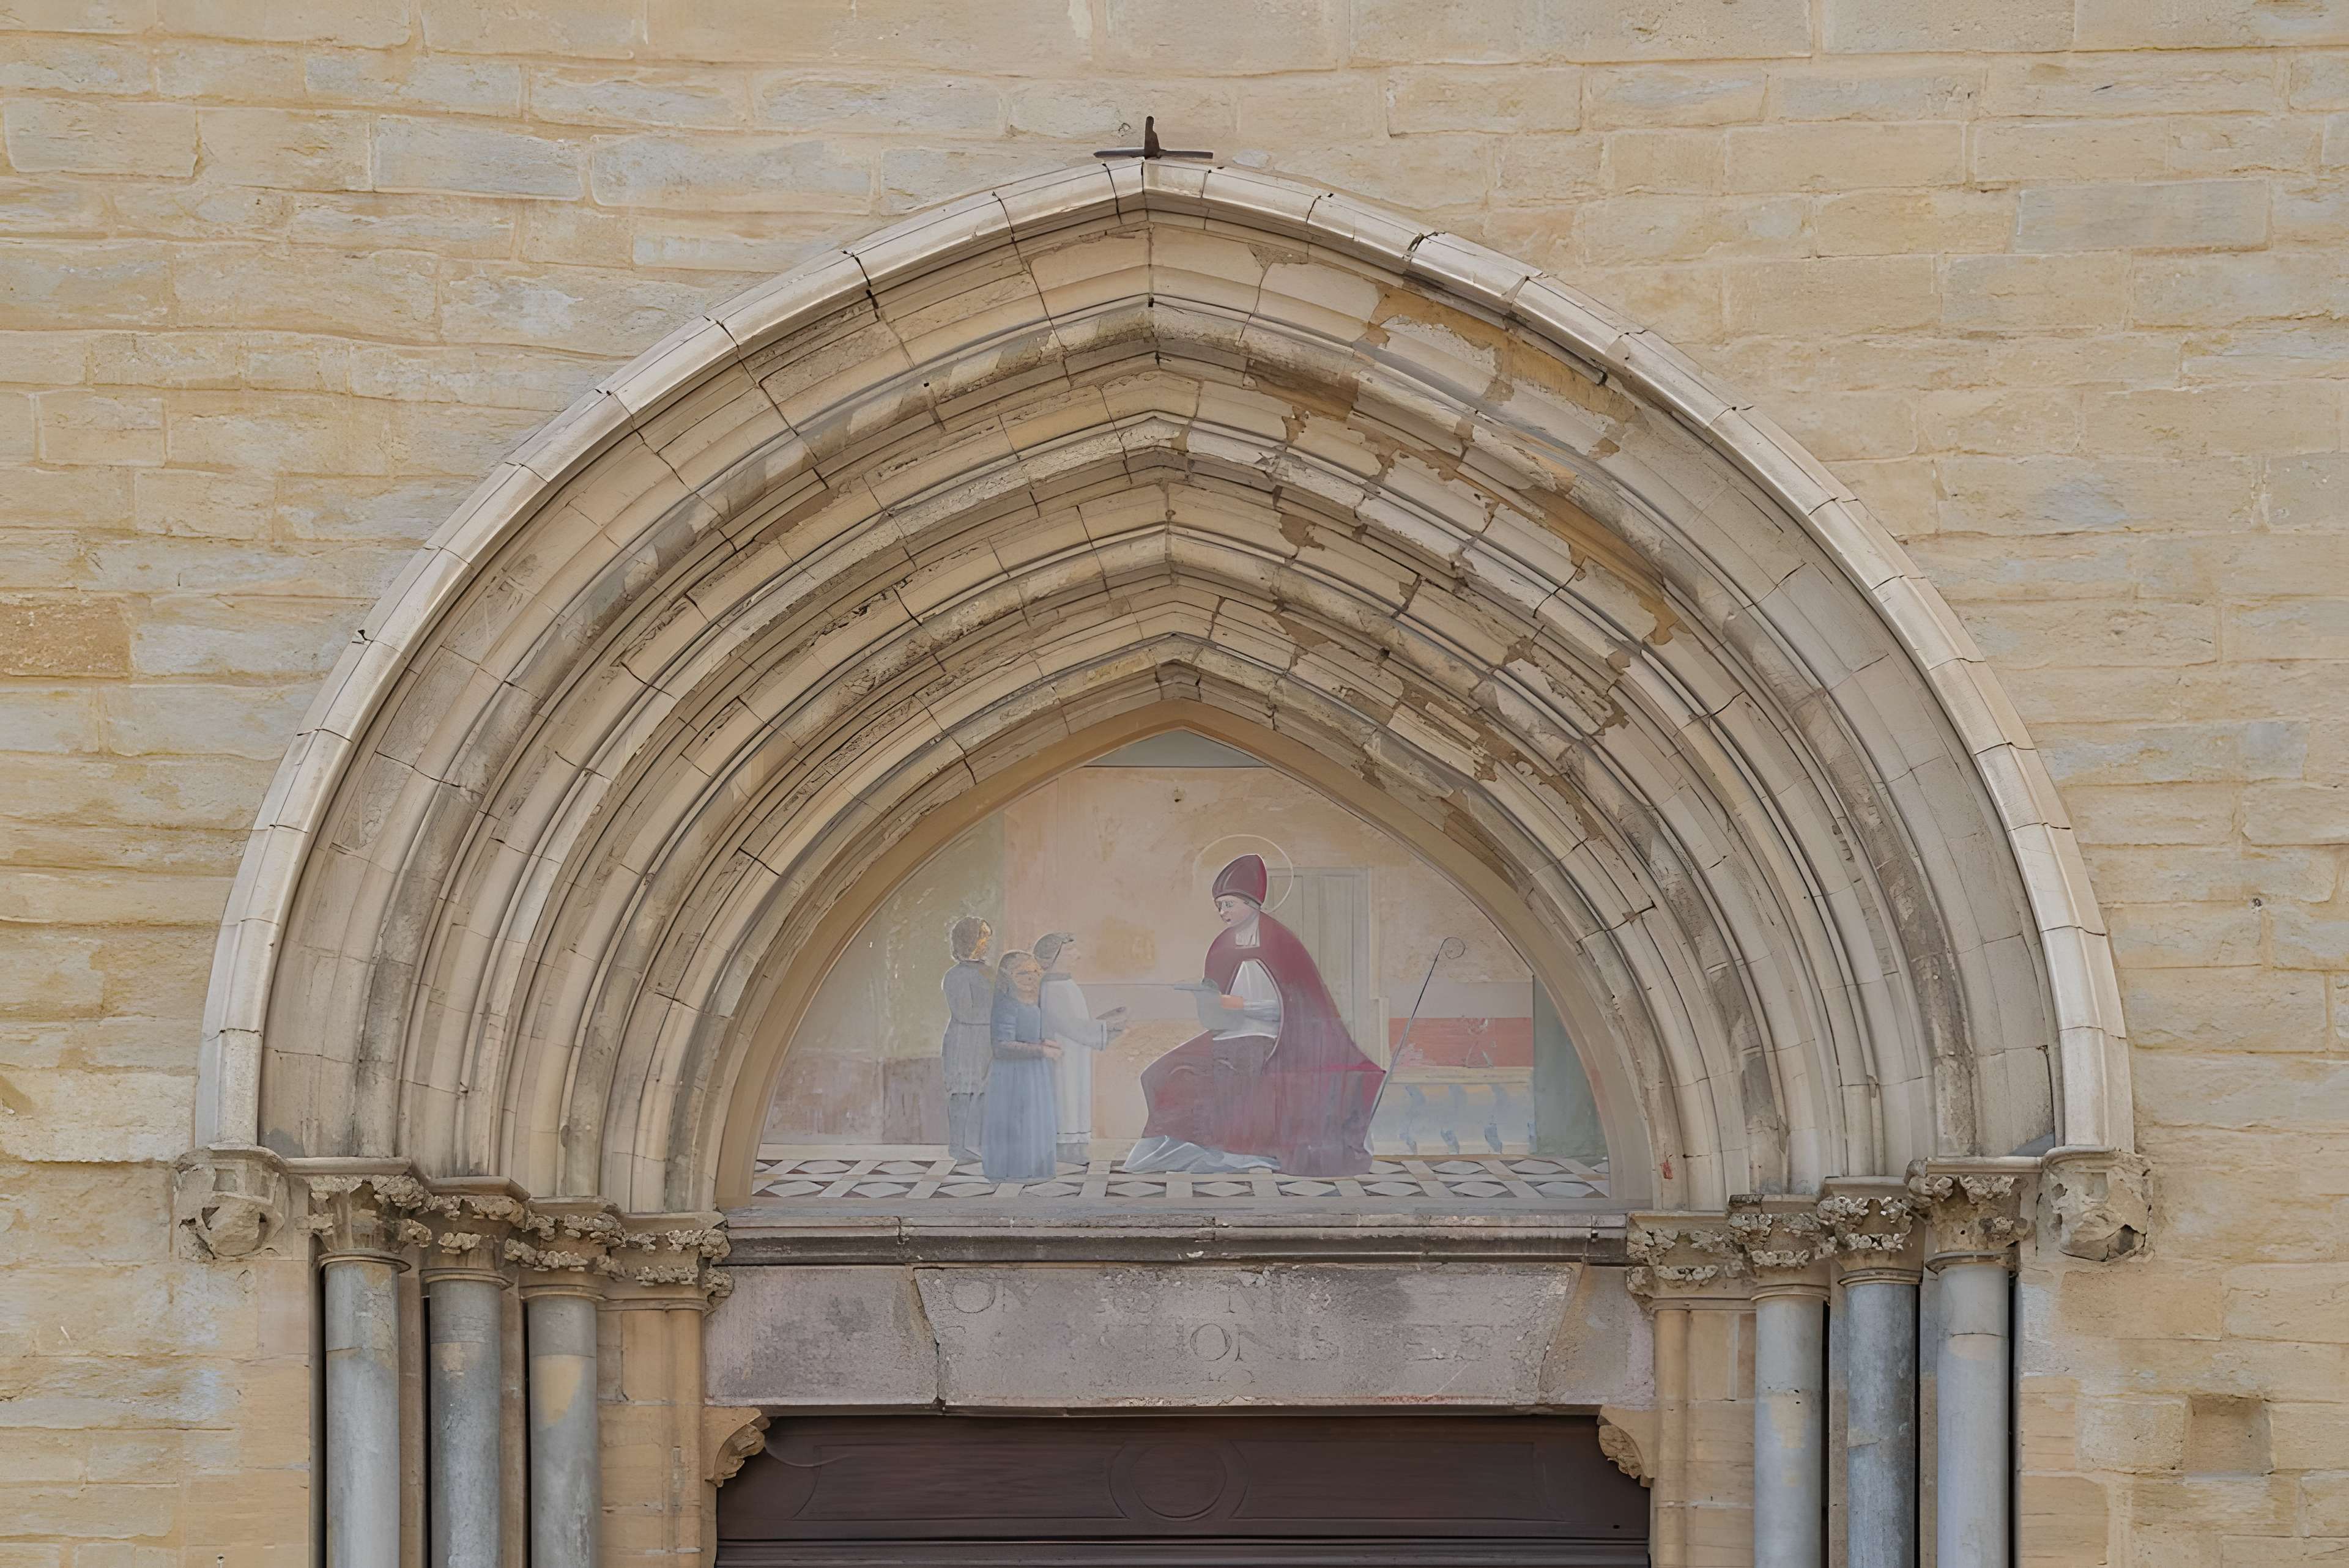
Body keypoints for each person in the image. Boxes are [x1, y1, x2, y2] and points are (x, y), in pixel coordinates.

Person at [1125, 854, 1384, 1177]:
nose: (1223, 913)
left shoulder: (1281, 943)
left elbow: (1292, 1006)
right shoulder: (1223, 945)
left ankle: (1237, 1151)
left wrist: (1236, 1005)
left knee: (1231, 1079)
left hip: (1272, 1039)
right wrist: (1208, 1000)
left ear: (1251, 902)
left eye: (1229, 904)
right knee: (1160, 1073)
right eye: (1219, 906)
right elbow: (1217, 1011)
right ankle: (1180, 1150)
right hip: (1230, 1035)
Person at [1033, 931, 1127, 1167]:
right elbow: (1069, 1025)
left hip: (1075, 1051)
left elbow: (1076, 1022)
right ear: (1054, 956)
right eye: (1070, 951)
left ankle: (1075, 1145)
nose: (1077, 955)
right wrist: (1106, 1029)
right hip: (1062, 1052)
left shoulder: (1065, 983)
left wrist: (1100, 1027)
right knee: (1066, 1095)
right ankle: (1066, 1148)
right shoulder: (1053, 987)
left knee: (1076, 1094)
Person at [981, 950, 1061, 1181]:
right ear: (1007, 976)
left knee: (1034, 1120)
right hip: (1012, 1076)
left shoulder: (1032, 1001)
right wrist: (1041, 1050)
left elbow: (1028, 1033)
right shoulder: (1006, 1005)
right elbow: (1002, 1046)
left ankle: (1035, 1169)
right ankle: (1013, 1171)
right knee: (1016, 1121)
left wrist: (1044, 1043)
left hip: (1034, 1073)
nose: (1031, 977)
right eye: (1023, 973)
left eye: (1035, 972)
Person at [939, 916, 994, 1163]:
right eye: (983, 937)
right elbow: (965, 1012)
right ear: (968, 940)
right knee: (962, 1093)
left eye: (987, 937)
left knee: (984, 1093)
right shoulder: (956, 976)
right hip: (964, 1041)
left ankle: (980, 1144)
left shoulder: (989, 971)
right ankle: (958, 1146)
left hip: (986, 1041)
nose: (987, 943)